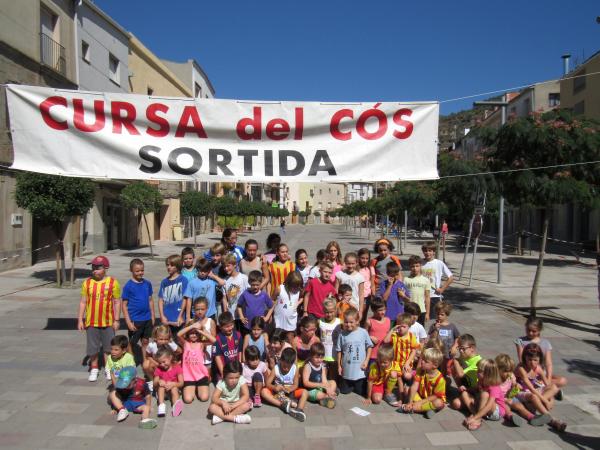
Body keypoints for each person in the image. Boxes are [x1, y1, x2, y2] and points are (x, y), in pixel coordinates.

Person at [77, 255, 121, 382]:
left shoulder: (113, 283)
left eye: (98, 267)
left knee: (108, 347)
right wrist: (80, 319)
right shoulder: (87, 283)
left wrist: (117, 320)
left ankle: (108, 368)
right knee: (93, 347)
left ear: (106, 268)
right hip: (91, 322)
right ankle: (94, 367)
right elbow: (83, 302)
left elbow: (117, 302)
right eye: (93, 267)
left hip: (108, 321)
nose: (95, 270)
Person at [515, 343, 566, 431]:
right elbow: (530, 388)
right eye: (529, 359)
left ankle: (533, 406)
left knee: (554, 387)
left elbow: (548, 384)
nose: (532, 362)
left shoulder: (538, 368)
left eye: (535, 360)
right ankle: (552, 421)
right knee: (534, 396)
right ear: (525, 358)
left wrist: (551, 400)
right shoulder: (521, 368)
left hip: (533, 392)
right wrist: (545, 401)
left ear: (539, 360)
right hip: (520, 392)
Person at [514, 317, 568, 398]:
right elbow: (521, 359)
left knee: (563, 380)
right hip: (527, 372)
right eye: (528, 330)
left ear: (539, 330)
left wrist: (548, 379)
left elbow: (548, 364)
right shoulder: (521, 341)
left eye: (534, 331)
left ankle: (545, 389)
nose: (530, 333)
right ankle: (548, 392)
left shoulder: (545, 343)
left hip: (541, 373)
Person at [261, 347, 307, 421]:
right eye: (284, 366)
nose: (286, 369)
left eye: (288, 367)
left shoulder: (295, 369)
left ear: (292, 364)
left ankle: (299, 410)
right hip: (277, 393)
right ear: (280, 360)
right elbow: (268, 384)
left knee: (305, 392)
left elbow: (296, 384)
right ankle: (282, 405)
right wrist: (274, 387)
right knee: (263, 392)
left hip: (290, 392)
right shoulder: (276, 368)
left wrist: (289, 389)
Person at [121, 258, 154, 363]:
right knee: (132, 343)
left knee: (145, 341)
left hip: (147, 318)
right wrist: (128, 321)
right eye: (137, 271)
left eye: (142, 270)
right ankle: (130, 361)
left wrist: (152, 316)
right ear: (131, 271)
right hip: (135, 320)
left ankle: (145, 360)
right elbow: (124, 305)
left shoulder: (147, 283)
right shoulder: (128, 286)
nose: (140, 273)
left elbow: (150, 300)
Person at [399, 347, 446, 419]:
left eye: (426, 361)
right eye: (422, 359)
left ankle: (412, 408)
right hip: (421, 397)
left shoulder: (440, 379)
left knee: (439, 403)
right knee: (407, 389)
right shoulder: (420, 370)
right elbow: (414, 386)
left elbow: (435, 396)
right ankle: (426, 409)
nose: (422, 362)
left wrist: (419, 403)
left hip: (432, 400)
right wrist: (410, 402)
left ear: (435, 365)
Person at [383, 312, 419, 406]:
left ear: (409, 327)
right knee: (396, 376)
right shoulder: (395, 335)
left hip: (405, 363)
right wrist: (392, 329)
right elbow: (385, 341)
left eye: (403, 326)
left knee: (407, 376)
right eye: (399, 326)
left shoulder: (411, 336)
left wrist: (407, 363)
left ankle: (408, 391)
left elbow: (414, 350)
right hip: (395, 363)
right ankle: (394, 395)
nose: (401, 328)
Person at [336, 308, 372, 397]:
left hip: (360, 372)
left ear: (357, 321)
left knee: (360, 393)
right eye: (346, 322)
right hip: (347, 371)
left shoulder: (363, 332)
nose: (348, 324)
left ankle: (356, 386)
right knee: (344, 391)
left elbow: (369, 347)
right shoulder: (342, 334)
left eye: (351, 322)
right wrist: (339, 366)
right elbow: (339, 351)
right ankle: (347, 385)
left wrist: (366, 361)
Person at [177, 319, 214, 404]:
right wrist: (192, 326)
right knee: (188, 399)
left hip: (201, 375)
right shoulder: (185, 343)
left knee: (204, 398)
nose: (194, 335)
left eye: (196, 333)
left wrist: (201, 330)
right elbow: (178, 335)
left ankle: (198, 387)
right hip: (188, 376)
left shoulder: (201, 343)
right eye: (191, 333)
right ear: (188, 333)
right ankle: (192, 388)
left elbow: (214, 340)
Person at [209, 360, 252, 425]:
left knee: (247, 405)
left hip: (236, 404)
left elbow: (246, 395)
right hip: (223, 406)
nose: (234, 380)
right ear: (225, 376)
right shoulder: (221, 383)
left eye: (236, 377)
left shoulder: (241, 379)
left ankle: (221, 417)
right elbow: (214, 398)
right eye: (231, 378)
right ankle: (236, 419)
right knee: (212, 407)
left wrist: (233, 406)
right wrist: (223, 403)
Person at [184, 258, 224, 322]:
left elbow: (222, 283)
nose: (202, 273)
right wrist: (188, 316)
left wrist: (213, 275)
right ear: (197, 270)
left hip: (210, 314)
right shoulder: (192, 282)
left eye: (205, 271)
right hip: (197, 314)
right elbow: (189, 300)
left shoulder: (211, 281)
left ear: (208, 271)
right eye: (200, 270)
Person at [142, 324, 179, 391]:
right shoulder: (152, 345)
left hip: (168, 363)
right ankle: (152, 380)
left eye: (166, 339)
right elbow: (148, 355)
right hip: (158, 363)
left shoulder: (171, 343)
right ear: (156, 338)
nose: (163, 341)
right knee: (146, 364)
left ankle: (170, 380)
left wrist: (173, 358)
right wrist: (155, 363)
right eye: (161, 339)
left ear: (169, 338)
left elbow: (180, 351)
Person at [450, 334, 482, 412]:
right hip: (469, 390)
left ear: (472, 348)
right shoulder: (464, 357)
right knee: (456, 403)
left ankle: (474, 411)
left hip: (478, 392)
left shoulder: (478, 361)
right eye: (459, 348)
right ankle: (470, 403)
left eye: (463, 349)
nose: (460, 351)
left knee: (457, 402)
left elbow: (460, 374)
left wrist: (455, 360)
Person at [187, 298, 216, 382]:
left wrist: (204, 332)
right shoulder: (191, 322)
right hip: (194, 353)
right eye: (197, 309)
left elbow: (213, 339)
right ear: (194, 309)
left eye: (202, 309)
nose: (200, 311)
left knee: (207, 377)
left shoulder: (210, 321)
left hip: (206, 353)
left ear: (207, 309)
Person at [158, 254, 188, 336]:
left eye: (171, 265)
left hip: (178, 318)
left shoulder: (183, 280)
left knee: (179, 341)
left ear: (178, 266)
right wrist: (162, 315)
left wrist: (181, 315)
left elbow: (185, 299)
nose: (169, 267)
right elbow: (161, 300)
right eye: (167, 265)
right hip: (166, 318)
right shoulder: (164, 282)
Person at [495, 353, 528, 427]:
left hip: (509, 396)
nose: (508, 373)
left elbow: (514, 384)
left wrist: (516, 386)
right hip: (498, 399)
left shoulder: (511, 376)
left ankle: (530, 416)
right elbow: (494, 394)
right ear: (497, 369)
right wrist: (505, 400)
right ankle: (510, 416)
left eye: (510, 371)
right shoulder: (495, 379)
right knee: (505, 407)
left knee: (519, 406)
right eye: (506, 371)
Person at [428, 302, 460, 378]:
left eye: (442, 314)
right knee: (435, 369)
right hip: (437, 352)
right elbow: (431, 338)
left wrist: (455, 346)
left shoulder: (452, 326)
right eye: (438, 314)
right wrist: (435, 329)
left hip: (447, 353)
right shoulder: (434, 326)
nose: (439, 316)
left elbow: (457, 337)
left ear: (447, 314)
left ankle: (443, 383)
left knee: (445, 370)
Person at [301, 343, 337, 408]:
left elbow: (324, 380)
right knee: (321, 394)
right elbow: (305, 383)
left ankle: (327, 397)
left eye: (321, 358)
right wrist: (320, 385)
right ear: (311, 356)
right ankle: (326, 398)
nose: (319, 360)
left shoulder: (322, 366)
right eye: (317, 357)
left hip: (320, 387)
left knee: (333, 382)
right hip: (310, 390)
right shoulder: (308, 366)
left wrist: (328, 389)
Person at [153, 346, 184, 417]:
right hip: (163, 393)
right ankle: (161, 405)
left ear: (170, 358)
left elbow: (181, 383)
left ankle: (175, 405)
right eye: (160, 363)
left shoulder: (177, 367)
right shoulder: (159, 369)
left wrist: (174, 384)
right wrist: (159, 381)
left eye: (164, 362)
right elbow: (154, 383)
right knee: (161, 387)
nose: (162, 365)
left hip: (173, 390)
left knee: (174, 389)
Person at [273, 271, 303, 343]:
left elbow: (302, 297)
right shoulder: (280, 289)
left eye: (298, 286)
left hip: (291, 320)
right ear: (288, 283)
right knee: (278, 340)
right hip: (279, 320)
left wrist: (298, 303)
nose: (297, 288)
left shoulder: (299, 291)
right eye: (294, 286)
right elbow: (272, 299)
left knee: (290, 340)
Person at [421, 241, 453, 310]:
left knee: (435, 316)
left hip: (434, 295)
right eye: (425, 251)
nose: (427, 253)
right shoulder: (420, 263)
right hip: (421, 295)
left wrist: (442, 289)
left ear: (434, 252)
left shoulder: (439, 263)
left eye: (430, 251)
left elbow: (450, 277)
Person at [335, 252, 365, 319]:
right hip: (341, 306)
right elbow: (336, 290)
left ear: (356, 263)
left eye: (353, 264)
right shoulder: (339, 274)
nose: (350, 266)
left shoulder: (360, 277)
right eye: (348, 263)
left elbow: (361, 294)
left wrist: (360, 311)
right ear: (345, 262)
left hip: (354, 306)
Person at [319, 297, 342, 384]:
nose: (329, 314)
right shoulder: (320, 321)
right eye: (327, 312)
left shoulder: (340, 322)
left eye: (331, 312)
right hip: (323, 354)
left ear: (336, 310)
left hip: (334, 355)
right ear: (323, 311)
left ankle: (333, 386)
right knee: (323, 374)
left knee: (333, 375)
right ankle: (324, 386)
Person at [403, 255, 431, 325]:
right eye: (412, 266)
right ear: (409, 267)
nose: (415, 268)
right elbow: (402, 296)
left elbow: (427, 297)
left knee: (420, 330)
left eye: (417, 266)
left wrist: (427, 313)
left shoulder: (426, 280)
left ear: (421, 266)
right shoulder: (405, 280)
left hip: (421, 310)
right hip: (408, 310)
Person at [214, 311, 243, 379]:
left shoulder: (238, 335)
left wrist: (239, 366)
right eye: (227, 327)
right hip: (224, 370)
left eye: (231, 325)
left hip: (236, 369)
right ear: (220, 327)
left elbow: (239, 351)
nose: (230, 328)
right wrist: (222, 372)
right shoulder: (217, 339)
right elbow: (217, 357)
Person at [222, 254, 249, 324]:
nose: (226, 268)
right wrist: (225, 313)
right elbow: (224, 298)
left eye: (228, 266)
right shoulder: (224, 280)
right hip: (231, 315)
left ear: (235, 265)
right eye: (224, 266)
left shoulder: (244, 278)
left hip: (244, 314)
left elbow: (249, 294)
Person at [365, 297, 391, 367]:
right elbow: (363, 335)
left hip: (385, 354)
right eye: (380, 310)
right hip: (373, 354)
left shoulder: (388, 320)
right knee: (372, 374)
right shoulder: (369, 321)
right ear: (373, 310)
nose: (383, 312)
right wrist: (370, 337)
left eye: (384, 309)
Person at [357, 248, 375, 322]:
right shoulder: (356, 268)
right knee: (356, 315)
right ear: (358, 258)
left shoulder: (370, 268)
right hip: (356, 295)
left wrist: (373, 295)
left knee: (363, 315)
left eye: (367, 258)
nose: (364, 260)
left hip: (366, 296)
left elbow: (372, 283)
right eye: (362, 258)